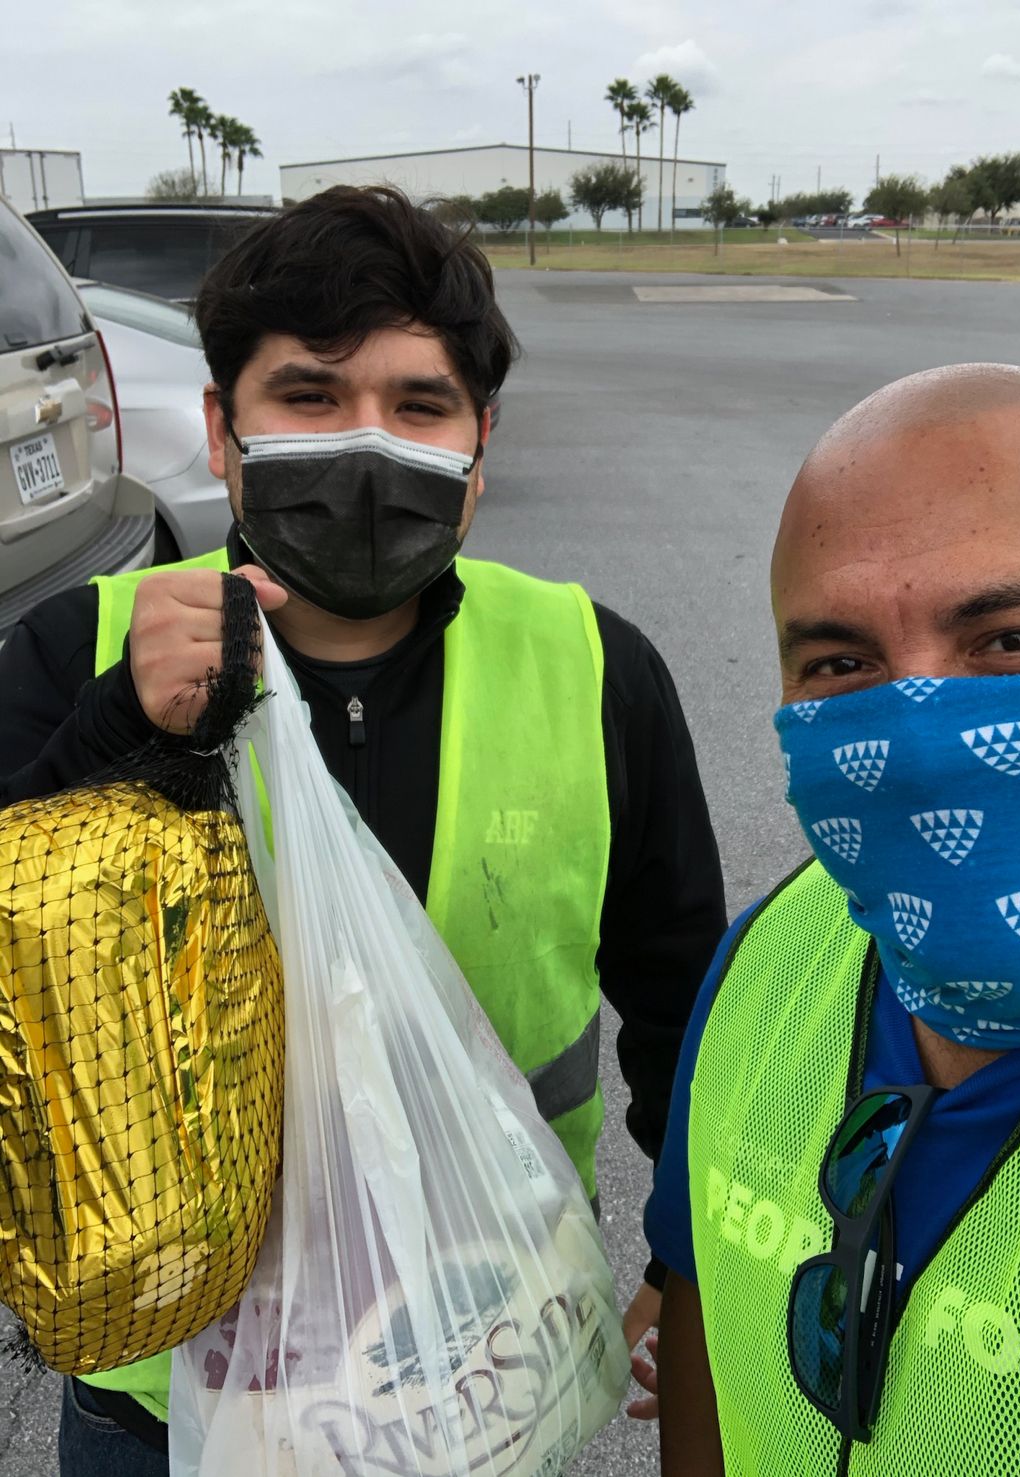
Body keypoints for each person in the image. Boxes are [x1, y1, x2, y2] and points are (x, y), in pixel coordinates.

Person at [0, 185, 725, 1474]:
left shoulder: (590, 667)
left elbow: (681, 998)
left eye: (419, 405)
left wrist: (684, 1255)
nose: (367, 442)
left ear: (479, 444)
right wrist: (118, 736)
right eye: (312, 397)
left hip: (477, 1350)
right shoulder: (78, 650)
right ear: (225, 431)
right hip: (162, 1376)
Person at [648, 363, 1020, 1476]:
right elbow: (701, 1336)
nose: (911, 736)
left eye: (1013, 641)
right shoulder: (773, 953)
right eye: (840, 663)